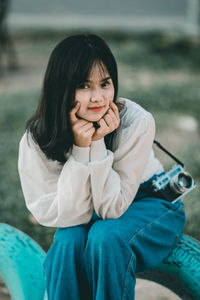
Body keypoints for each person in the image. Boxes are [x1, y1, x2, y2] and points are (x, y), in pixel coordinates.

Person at [18, 33, 186, 300]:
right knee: (67, 242)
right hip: (87, 213)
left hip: (149, 203)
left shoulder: (135, 122)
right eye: (84, 86)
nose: (98, 97)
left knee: (106, 237)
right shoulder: (37, 138)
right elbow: (58, 215)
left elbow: (111, 208)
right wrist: (80, 148)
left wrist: (95, 144)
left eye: (105, 84)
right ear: (61, 87)